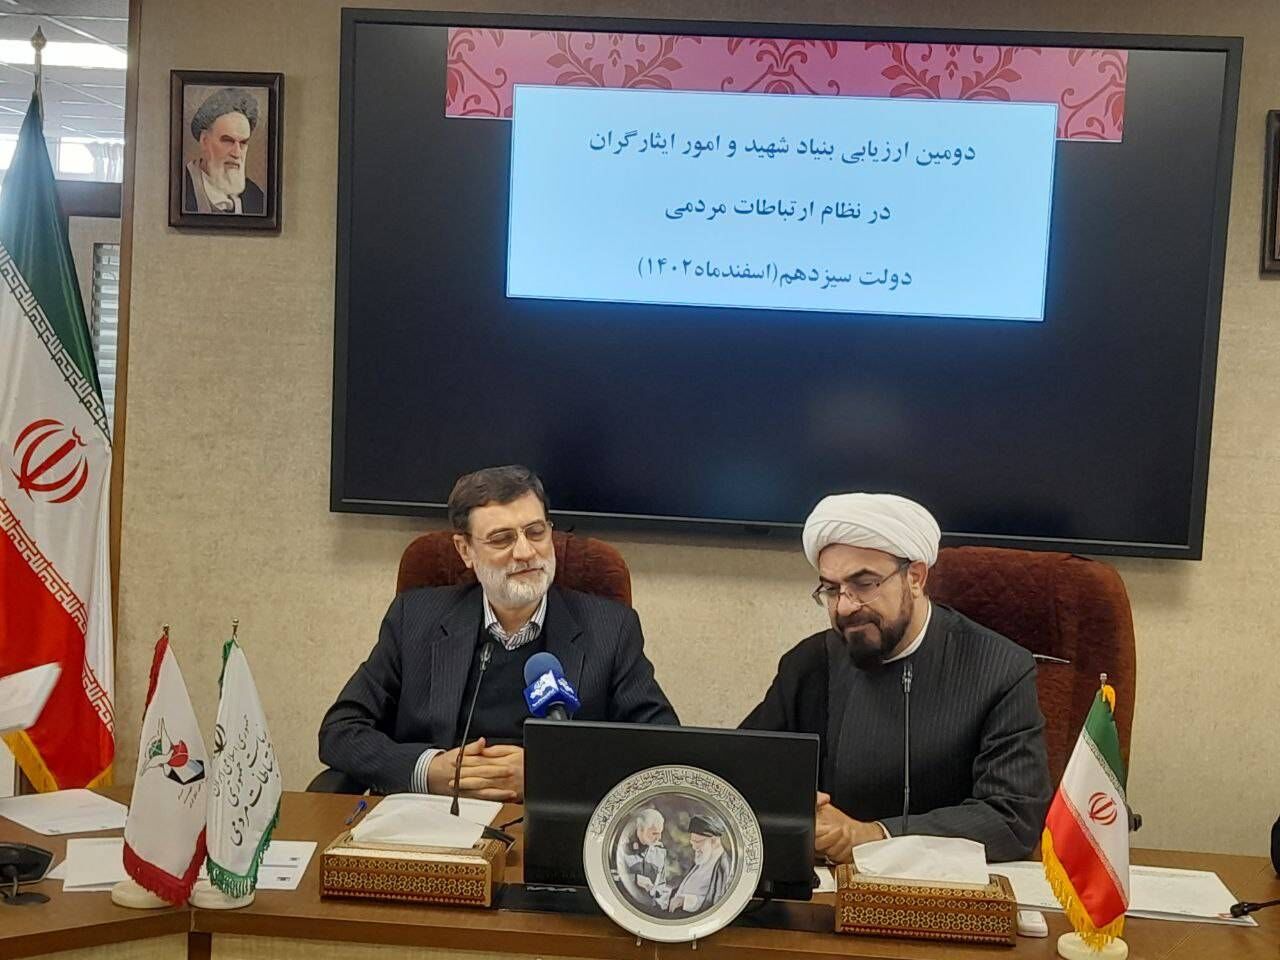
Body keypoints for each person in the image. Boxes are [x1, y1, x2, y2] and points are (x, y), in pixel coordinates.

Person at [318, 465, 678, 799]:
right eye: (502, 539)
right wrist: (427, 770)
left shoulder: (610, 629)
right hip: (435, 815)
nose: (525, 552)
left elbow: (662, 746)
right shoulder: (414, 619)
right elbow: (340, 730)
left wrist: (550, 772)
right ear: (466, 550)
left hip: (549, 817)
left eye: (536, 532)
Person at [741, 492, 1051, 863]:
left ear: (915, 577)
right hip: (828, 883)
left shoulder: (1000, 669)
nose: (845, 606)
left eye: (864, 584)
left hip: (947, 888)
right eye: (831, 589)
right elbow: (743, 770)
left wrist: (873, 836)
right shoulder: (810, 663)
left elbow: (1012, 817)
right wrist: (787, 802)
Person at [182, 87, 265, 215]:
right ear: (205, 141)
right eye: (228, 141)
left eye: (243, 143)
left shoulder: (256, 197)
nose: (236, 153)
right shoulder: (180, 188)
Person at [668, 814, 733, 913]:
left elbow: (718, 904)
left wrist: (685, 901)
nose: (694, 848)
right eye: (692, 842)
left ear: (714, 841)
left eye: (697, 842)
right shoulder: (703, 858)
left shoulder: (724, 866)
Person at [619, 808, 668, 904]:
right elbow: (612, 877)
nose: (659, 838)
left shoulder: (660, 852)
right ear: (640, 829)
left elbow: (661, 884)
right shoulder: (622, 849)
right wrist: (635, 879)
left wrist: (657, 892)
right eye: (654, 833)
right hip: (626, 904)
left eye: (660, 833)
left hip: (650, 906)